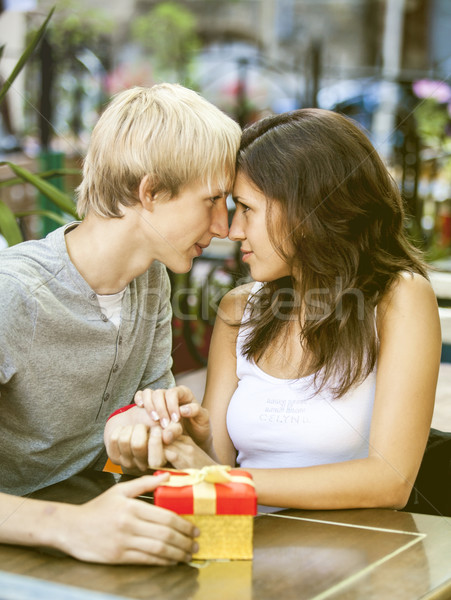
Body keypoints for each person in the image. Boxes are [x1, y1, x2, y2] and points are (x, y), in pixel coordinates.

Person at [106, 108, 442, 512]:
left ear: (306, 209)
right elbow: (215, 470)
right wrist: (190, 437)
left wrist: (221, 478)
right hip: (241, 545)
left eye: (247, 208)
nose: (232, 230)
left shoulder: (398, 299)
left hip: (352, 556)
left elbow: (389, 481)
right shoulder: (240, 309)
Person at [0, 83, 241, 563]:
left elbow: (142, 420)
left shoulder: (151, 280)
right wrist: (72, 527)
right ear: (149, 192)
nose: (224, 227)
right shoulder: (14, 294)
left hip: (100, 524)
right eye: (212, 200)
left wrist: (156, 424)